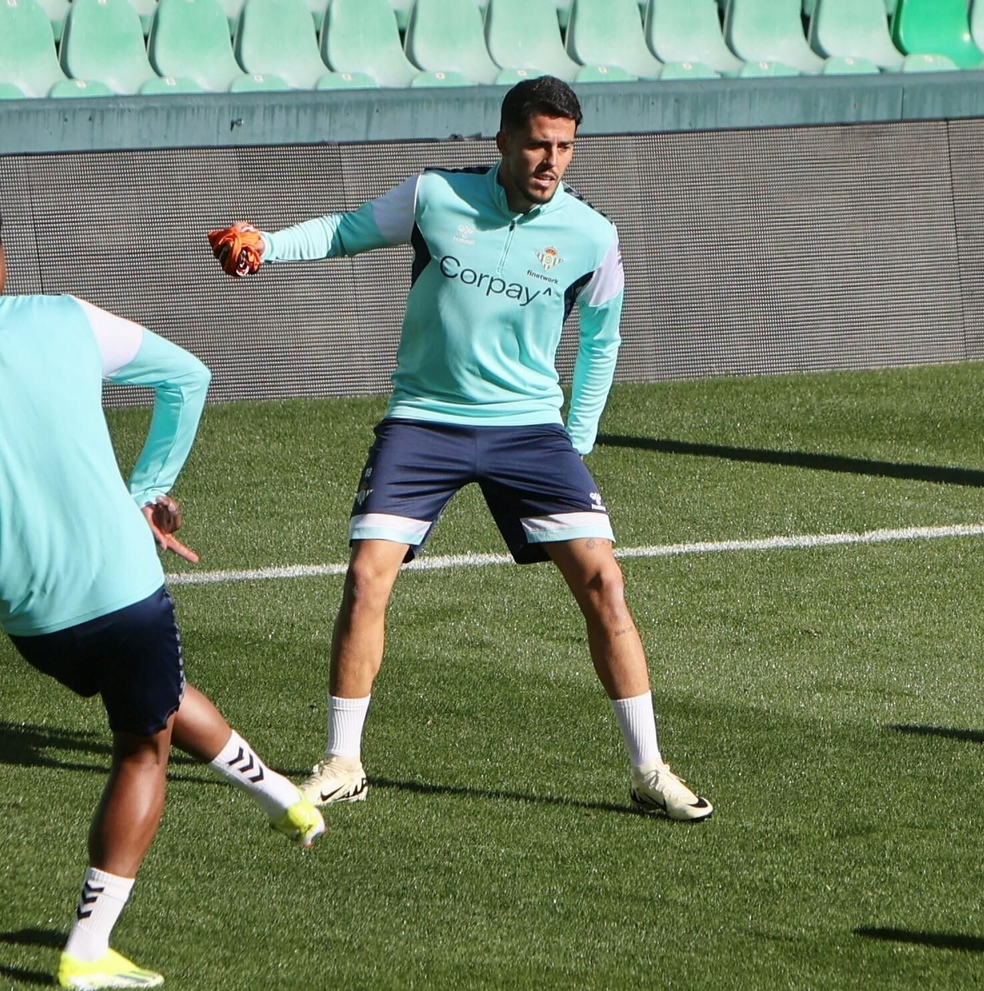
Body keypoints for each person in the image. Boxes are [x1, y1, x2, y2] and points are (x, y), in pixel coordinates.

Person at [207, 75, 712, 822]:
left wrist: (575, 441)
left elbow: (603, 340)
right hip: (424, 421)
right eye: (538, 144)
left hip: (530, 431)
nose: (551, 160)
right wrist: (267, 246)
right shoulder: (434, 196)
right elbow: (345, 230)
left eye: (564, 147)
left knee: (604, 582)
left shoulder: (592, 235)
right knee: (366, 577)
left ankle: (649, 770)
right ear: (504, 140)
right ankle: (343, 762)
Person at [0, 189, 324, 990]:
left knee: (153, 696)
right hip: (123, 583)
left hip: (33, 617)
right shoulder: (65, 316)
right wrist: (146, 491)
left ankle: (281, 797)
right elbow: (188, 378)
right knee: (141, 747)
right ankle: (88, 947)